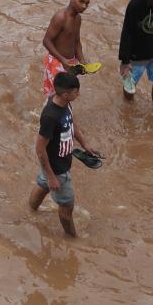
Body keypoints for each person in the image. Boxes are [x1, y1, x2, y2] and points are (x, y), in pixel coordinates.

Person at [28, 72, 101, 238]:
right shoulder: (50, 117)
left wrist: (85, 144)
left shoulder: (65, 103)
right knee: (67, 205)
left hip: (57, 163)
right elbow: (40, 149)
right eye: (76, 91)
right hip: (57, 168)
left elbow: (73, 122)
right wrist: (52, 176)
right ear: (66, 94)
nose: (79, 94)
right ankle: (71, 238)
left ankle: (30, 212)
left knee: (43, 184)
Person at [41, 0, 92, 97]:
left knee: (70, 94)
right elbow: (46, 41)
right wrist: (63, 60)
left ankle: (64, 113)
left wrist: (82, 60)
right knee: (56, 96)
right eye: (81, 2)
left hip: (71, 63)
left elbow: (77, 41)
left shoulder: (78, 18)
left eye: (87, 4)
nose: (84, 6)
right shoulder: (60, 17)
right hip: (57, 62)